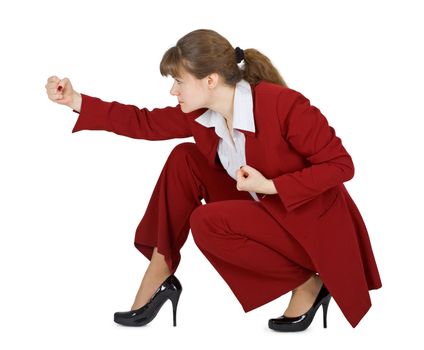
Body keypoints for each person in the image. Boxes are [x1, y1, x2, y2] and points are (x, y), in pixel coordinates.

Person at [45, 28, 381, 332]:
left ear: (210, 80)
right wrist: (75, 101)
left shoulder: (283, 105)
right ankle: (160, 268)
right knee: (184, 159)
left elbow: (341, 165)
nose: (172, 90)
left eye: (179, 81)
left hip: (305, 223)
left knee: (207, 221)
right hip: (263, 213)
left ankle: (309, 282)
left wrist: (270, 186)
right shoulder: (201, 115)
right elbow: (143, 122)